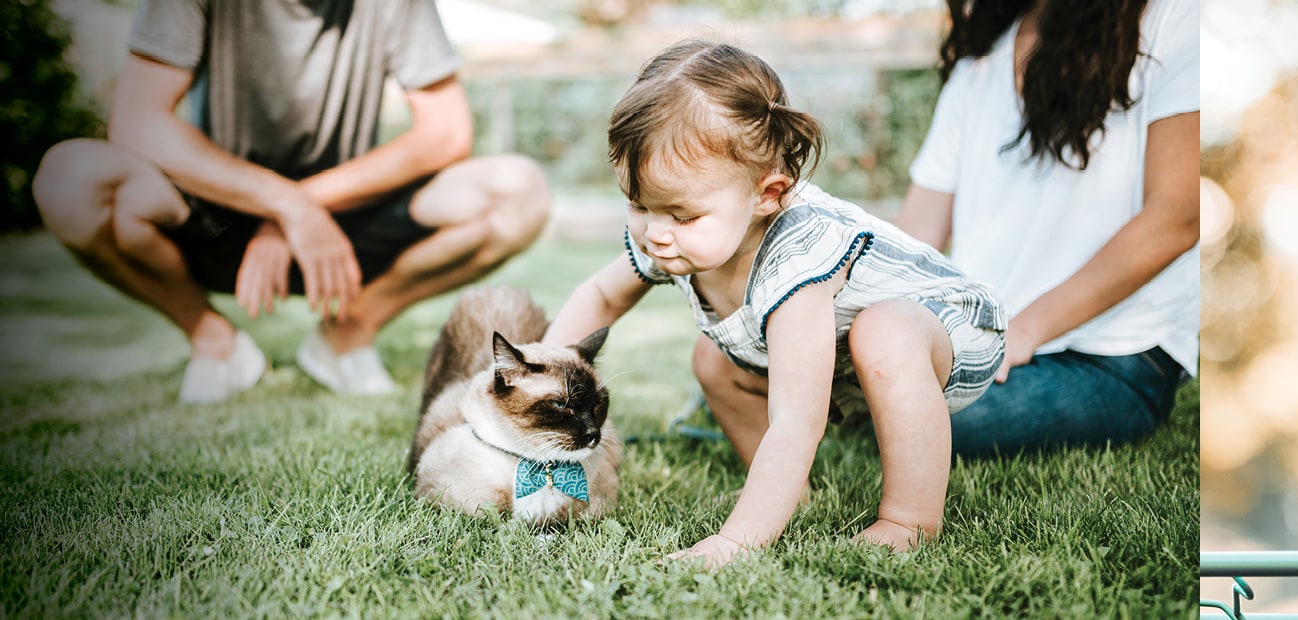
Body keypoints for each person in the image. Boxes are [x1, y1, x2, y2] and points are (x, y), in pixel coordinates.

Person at [541, 40, 1006, 564]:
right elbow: (602, 294)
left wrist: (734, 543)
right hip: (847, 350)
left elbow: (796, 419)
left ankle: (908, 518)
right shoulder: (669, 233)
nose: (655, 233)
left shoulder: (798, 257)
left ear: (767, 194)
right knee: (713, 360)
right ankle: (790, 497)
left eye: (682, 215)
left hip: (949, 327)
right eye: (638, 204)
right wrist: (539, 370)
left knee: (884, 334)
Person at [29, 0, 551, 403]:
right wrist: (285, 206)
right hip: (216, 219)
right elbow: (138, 121)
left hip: (348, 227)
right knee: (71, 180)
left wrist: (303, 207)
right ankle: (213, 340)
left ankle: (349, 330)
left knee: (518, 193)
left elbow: (446, 133)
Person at [893, 0, 1200, 457]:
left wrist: (1023, 331)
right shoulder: (982, 59)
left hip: (1114, 356)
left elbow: (1177, 217)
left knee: (921, 416)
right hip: (980, 343)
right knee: (876, 381)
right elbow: (918, 231)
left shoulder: (1175, 19)